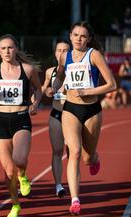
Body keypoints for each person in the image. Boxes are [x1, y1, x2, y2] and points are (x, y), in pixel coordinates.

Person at [53, 22, 116, 215]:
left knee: (88, 157)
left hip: (92, 110)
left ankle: (95, 158)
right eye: (75, 35)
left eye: (83, 36)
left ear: (88, 39)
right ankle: (75, 200)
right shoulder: (65, 56)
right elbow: (60, 77)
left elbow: (111, 84)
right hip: (70, 108)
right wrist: (53, 87)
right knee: (75, 152)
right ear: (70, 36)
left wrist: (90, 91)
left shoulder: (94, 55)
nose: (79, 39)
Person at [0, 34, 42, 217]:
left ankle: (23, 176)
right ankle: (15, 204)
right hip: (0, 119)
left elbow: (38, 89)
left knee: (20, 159)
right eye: (3, 48)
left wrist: (35, 103)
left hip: (21, 117)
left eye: (10, 48)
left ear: (16, 49)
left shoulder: (28, 70)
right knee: (8, 171)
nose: (7, 51)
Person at [41, 40, 71, 198]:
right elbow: (45, 87)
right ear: (55, 53)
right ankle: (58, 185)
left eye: (65, 50)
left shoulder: (75, 69)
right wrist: (46, 92)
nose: (62, 53)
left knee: (73, 151)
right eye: (59, 50)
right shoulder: (50, 71)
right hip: (56, 113)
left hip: (73, 114)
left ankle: (73, 181)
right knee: (57, 151)